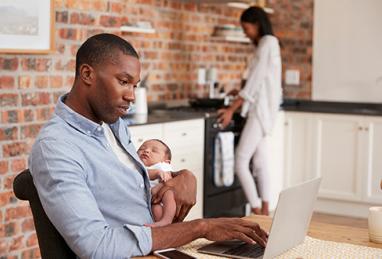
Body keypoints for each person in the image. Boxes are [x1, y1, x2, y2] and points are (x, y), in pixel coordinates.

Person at [29, 33, 268, 258]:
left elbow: (132, 184)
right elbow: (96, 246)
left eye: (134, 85)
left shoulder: (112, 124)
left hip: (160, 249)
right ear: (87, 74)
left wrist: (183, 176)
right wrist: (200, 227)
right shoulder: (56, 147)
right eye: (123, 82)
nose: (131, 96)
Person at [218, 6, 282, 216]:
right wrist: (241, 89)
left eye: (246, 28)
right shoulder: (267, 44)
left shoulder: (267, 43)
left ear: (256, 24)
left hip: (259, 111)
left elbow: (254, 83)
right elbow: (259, 80)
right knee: (260, 161)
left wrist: (230, 109)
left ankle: (255, 209)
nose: (245, 33)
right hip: (264, 111)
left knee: (240, 161)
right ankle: (265, 211)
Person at [137, 139, 176, 227]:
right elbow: (145, 174)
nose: (146, 151)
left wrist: (158, 174)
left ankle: (167, 219)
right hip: (152, 198)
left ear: (166, 161)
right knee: (155, 206)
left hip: (162, 191)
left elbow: (169, 180)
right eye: (141, 149)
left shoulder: (162, 165)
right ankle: (160, 224)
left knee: (168, 192)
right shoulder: (138, 167)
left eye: (154, 151)